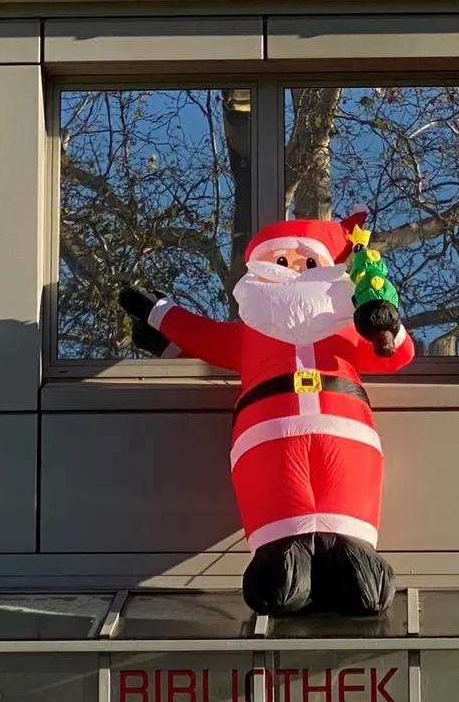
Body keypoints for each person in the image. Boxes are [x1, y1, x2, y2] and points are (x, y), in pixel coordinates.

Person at [119, 212, 414, 616]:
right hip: (266, 433)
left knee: (344, 492)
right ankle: (282, 564)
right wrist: (161, 317)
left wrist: (386, 326)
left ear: (329, 269)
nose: (294, 270)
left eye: (308, 262)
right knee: (279, 497)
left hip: (346, 427)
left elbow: (396, 356)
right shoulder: (253, 333)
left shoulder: (346, 330)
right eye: (281, 262)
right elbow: (205, 335)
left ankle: (354, 561)